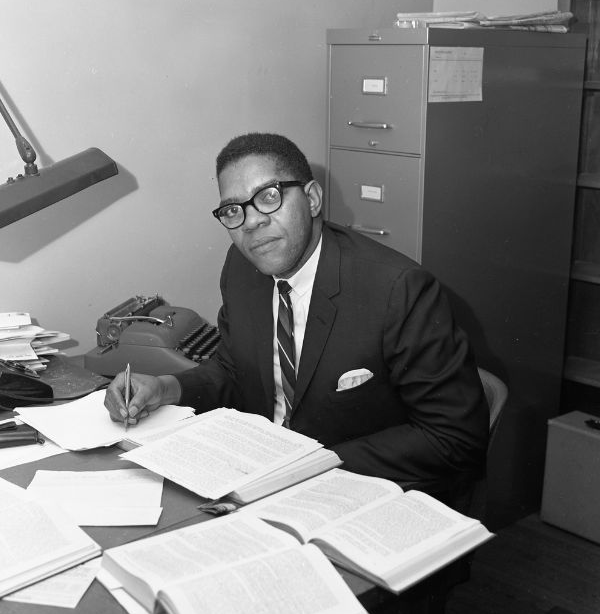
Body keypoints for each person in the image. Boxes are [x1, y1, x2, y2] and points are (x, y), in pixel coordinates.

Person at [105, 132, 489, 507]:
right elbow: (234, 369)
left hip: (363, 493)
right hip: (261, 486)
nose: (251, 222)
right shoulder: (241, 269)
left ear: (312, 199)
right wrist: (164, 387)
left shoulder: (397, 290)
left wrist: (311, 466)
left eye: (269, 197)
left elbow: (453, 436)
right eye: (233, 210)